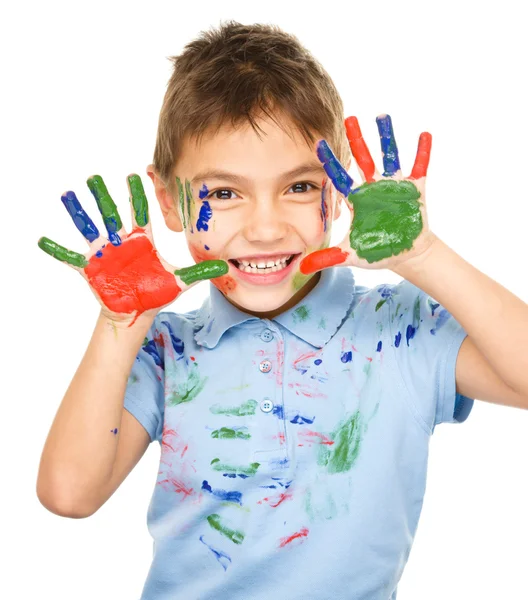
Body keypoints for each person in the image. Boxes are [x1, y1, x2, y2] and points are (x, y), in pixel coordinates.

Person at [36, 20, 528, 600]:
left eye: (298, 186)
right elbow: (70, 494)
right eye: (223, 193)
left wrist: (424, 257)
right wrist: (120, 327)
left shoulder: (399, 329)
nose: (266, 229)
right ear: (169, 201)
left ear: (340, 188)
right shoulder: (166, 350)